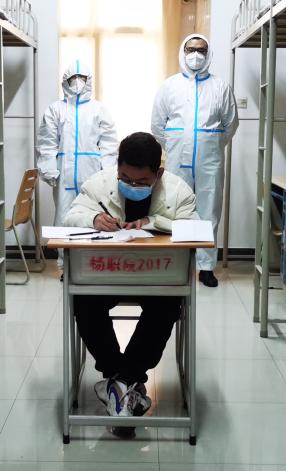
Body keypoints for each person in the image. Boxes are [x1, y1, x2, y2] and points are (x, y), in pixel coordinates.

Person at [63, 132, 197, 437]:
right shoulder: (99, 183)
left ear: (158, 173)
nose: (131, 185)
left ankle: (118, 384)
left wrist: (154, 222)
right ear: (117, 167)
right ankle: (125, 381)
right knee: (84, 300)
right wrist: (93, 218)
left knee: (167, 304)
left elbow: (194, 228)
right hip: (107, 276)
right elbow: (72, 215)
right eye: (125, 178)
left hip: (157, 278)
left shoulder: (179, 191)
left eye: (141, 181)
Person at [151, 33, 238, 287]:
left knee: (209, 211)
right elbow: (157, 126)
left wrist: (211, 145)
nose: (196, 55)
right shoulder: (169, 86)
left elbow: (230, 124)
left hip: (210, 161)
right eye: (191, 49)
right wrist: (176, 144)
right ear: (183, 51)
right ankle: (176, 263)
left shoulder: (220, 87)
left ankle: (206, 267)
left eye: (201, 50)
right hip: (178, 159)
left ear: (208, 54)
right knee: (175, 209)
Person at [38, 61, 119, 267]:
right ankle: (65, 264)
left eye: (81, 78)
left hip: (91, 174)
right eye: (72, 78)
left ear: (88, 80)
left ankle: (91, 262)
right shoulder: (56, 109)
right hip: (64, 175)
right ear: (65, 81)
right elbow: (47, 142)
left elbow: (109, 144)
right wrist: (49, 170)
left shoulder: (99, 110)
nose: (77, 82)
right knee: (64, 217)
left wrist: (108, 172)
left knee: (93, 216)